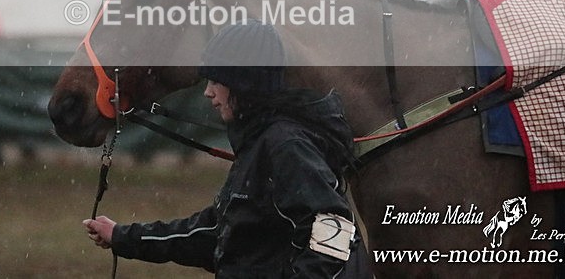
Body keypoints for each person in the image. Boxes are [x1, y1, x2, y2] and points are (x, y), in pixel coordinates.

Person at [83, 20, 367, 277]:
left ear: (244, 84)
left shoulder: (286, 146)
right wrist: (122, 236)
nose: (208, 92)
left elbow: (334, 232)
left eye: (217, 81)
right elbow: (217, 234)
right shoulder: (259, 142)